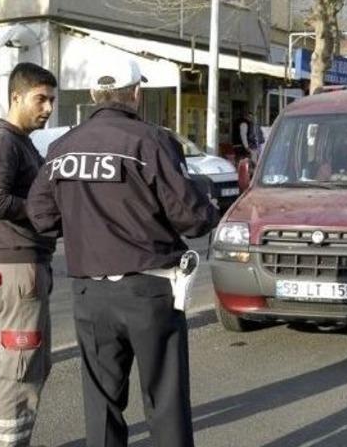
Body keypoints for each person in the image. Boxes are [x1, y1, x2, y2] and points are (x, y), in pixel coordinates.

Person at [27, 57, 220, 447]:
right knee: (164, 398)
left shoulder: (63, 146)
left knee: (101, 404)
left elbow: (41, 216)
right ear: (135, 93)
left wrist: (87, 227)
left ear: (96, 95)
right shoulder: (151, 141)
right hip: (149, 290)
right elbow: (193, 219)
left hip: (89, 292)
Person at [0, 63, 57, 446]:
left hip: (26, 266)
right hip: (15, 268)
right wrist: (45, 211)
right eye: (41, 99)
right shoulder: (2, 141)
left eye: (52, 99)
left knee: (32, 366)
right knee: (18, 369)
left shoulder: (20, 140)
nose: (48, 107)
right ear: (16, 97)